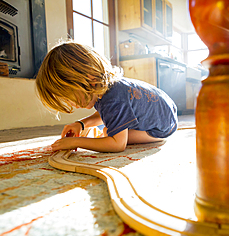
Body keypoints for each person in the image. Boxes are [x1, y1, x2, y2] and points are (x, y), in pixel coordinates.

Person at [36, 41, 178, 153]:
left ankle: (156, 136)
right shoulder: (105, 90)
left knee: (107, 134)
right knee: (109, 127)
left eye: (68, 97)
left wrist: (76, 142)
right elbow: (107, 113)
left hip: (162, 128)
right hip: (167, 112)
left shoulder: (114, 97)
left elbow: (117, 144)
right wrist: (81, 124)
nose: (71, 104)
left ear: (88, 78)